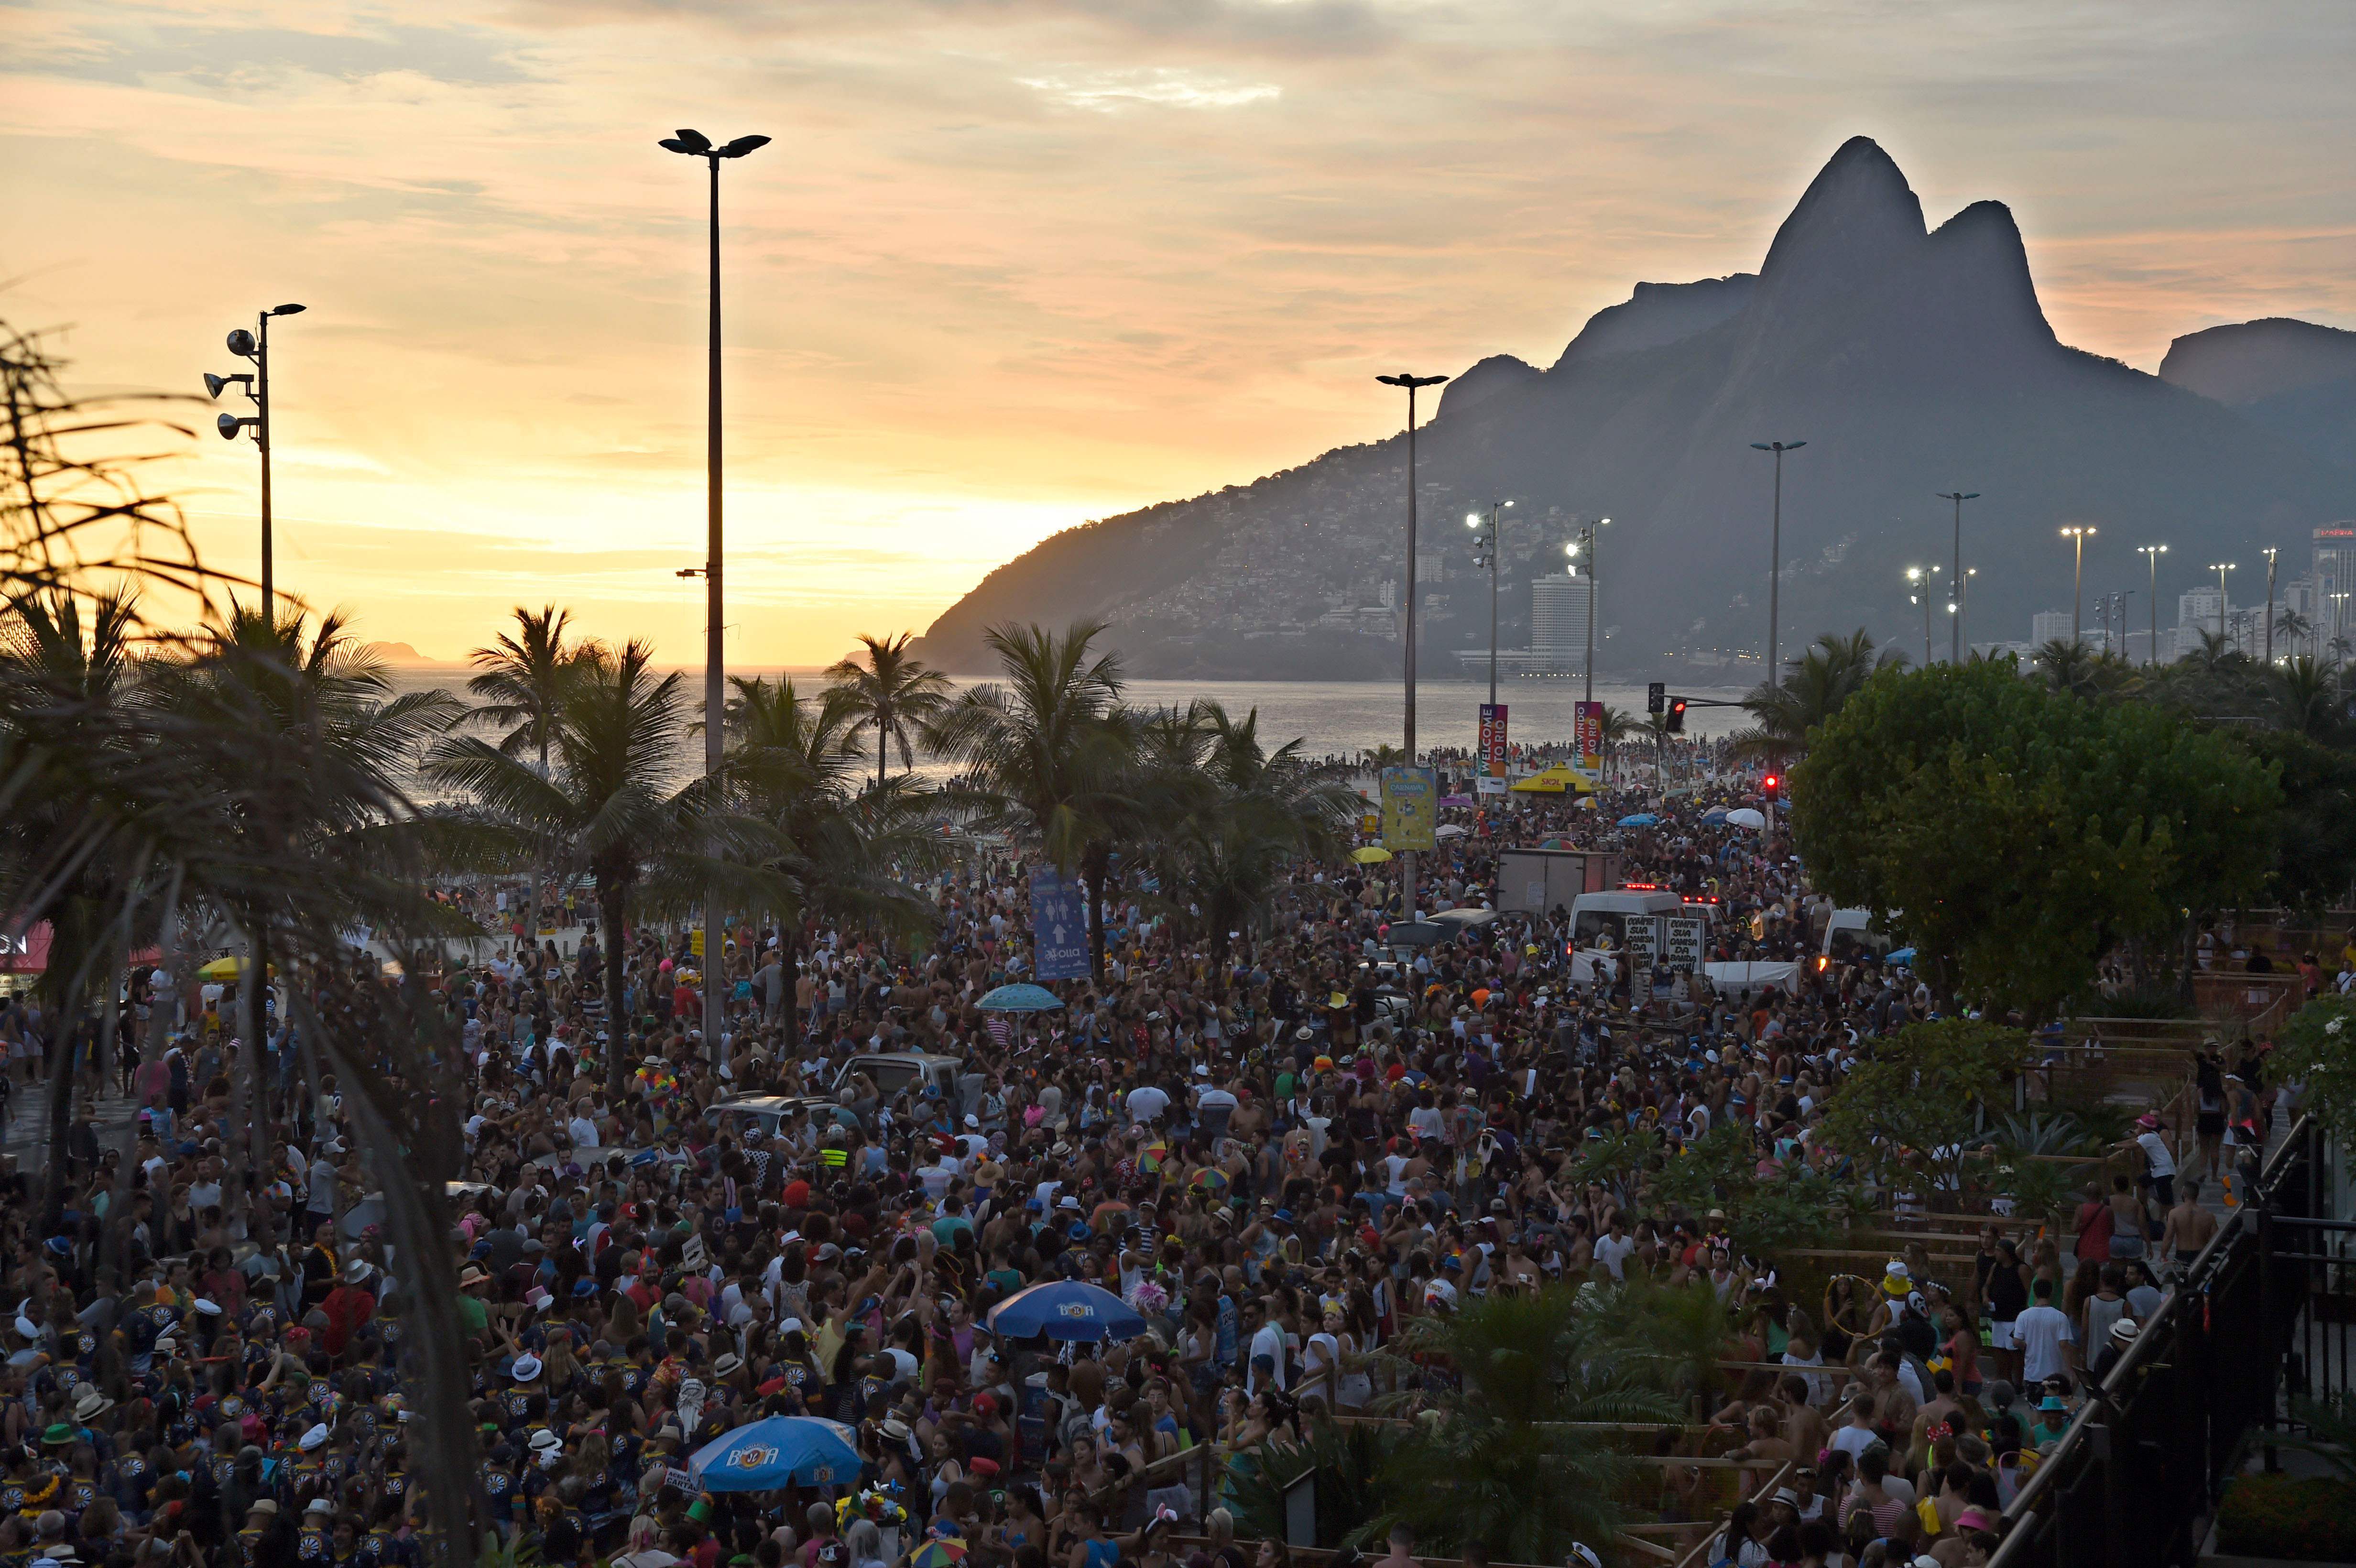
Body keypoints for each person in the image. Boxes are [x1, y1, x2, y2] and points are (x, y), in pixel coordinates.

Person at [2012, 1277, 2074, 1384]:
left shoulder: (2023, 1316)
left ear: (2035, 1294)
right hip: (2055, 1375)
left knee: (2034, 1401)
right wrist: (2070, 1372)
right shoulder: (2061, 1317)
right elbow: (2064, 1345)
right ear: (2051, 1293)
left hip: (2032, 1374)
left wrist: (2026, 1345)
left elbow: (2016, 1342)